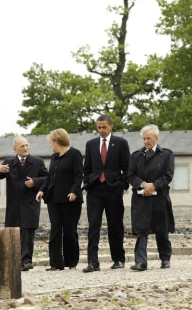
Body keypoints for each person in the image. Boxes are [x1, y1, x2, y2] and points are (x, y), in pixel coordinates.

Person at [0, 136, 48, 271]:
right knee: (13, 233)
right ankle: (14, 261)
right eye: (22, 146)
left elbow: (47, 178)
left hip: (30, 203)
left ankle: (26, 261)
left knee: (28, 235)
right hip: (14, 205)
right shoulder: (9, 162)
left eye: (27, 145)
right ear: (15, 148)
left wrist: (35, 182)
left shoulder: (37, 162)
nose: (25, 148)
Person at [82, 115, 130, 272]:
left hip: (113, 190)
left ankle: (118, 259)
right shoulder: (91, 144)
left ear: (111, 126)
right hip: (95, 190)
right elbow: (87, 168)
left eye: (104, 127)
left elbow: (127, 167)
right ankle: (93, 262)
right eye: (99, 127)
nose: (101, 130)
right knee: (93, 225)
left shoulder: (121, 143)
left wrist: (122, 185)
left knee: (115, 225)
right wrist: (88, 182)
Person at [127, 124, 175, 271]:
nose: (146, 141)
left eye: (149, 138)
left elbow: (168, 175)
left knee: (162, 230)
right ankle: (141, 262)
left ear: (156, 138)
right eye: (144, 138)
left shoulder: (166, 154)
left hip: (159, 198)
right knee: (141, 231)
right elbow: (130, 175)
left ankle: (165, 259)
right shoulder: (136, 156)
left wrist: (154, 185)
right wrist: (143, 185)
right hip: (141, 198)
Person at [37, 128, 84, 271]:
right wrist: (41, 190)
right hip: (54, 199)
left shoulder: (74, 154)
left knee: (70, 230)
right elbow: (50, 178)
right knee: (55, 229)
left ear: (57, 141)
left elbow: (79, 175)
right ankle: (56, 263)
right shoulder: (54, 157)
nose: (51, 145)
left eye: (51, 142)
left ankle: (71, 262)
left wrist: (74, 191)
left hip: (70, 199)